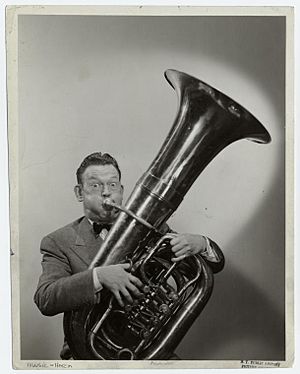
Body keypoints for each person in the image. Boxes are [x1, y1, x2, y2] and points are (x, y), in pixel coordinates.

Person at [34, 152, 224, 360]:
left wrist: (200, 243)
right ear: (80, 193)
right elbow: (46, 299)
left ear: (122, 190)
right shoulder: (58, 241)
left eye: (113, 185)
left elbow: (212, 265)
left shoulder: (148, 228)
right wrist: (99, 277)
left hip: (148, 348)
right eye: (95, 186)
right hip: (90, 355)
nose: (107, 193)